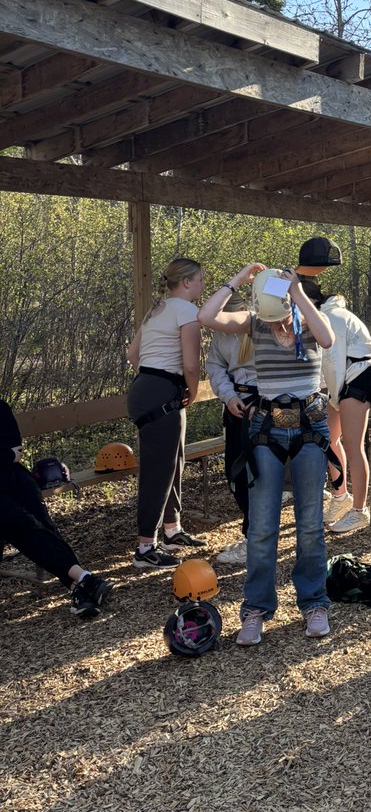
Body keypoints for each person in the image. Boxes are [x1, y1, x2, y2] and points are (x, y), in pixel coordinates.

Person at [198, 240, 336, 648]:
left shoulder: (308, 322)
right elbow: (207, 317)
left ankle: (314, 602)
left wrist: (295, 292)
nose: (275, 325)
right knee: (262, 526)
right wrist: (238, 280)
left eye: (278, 317)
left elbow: (327, 339)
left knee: (310, 522)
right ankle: (256, 608)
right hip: (267, 428)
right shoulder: (254, 322)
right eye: (270, 316)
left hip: (308, 424)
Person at [126, 257, 206, 569]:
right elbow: (190, 364)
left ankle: (172, 529)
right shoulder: (187, 311)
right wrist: (192, 390)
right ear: (186, 282)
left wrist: (153, 379)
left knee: (175, 459)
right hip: (163, 392)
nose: (201, 286)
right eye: (199, 280)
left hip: (147, 386)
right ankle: (146, 547)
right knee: (158, 470)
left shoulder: (156, 310)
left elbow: (133, 354)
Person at [0, 399, 113, 617]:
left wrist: (7, 456)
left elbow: (16, 450)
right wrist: (6, 455)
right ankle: (84, 579)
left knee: (43, 524)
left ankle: (80, 587)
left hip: (13, 477)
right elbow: (8, 454)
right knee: (23, 523)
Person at [313, 284, 371, 535]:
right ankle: (341, 496)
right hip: (342, 383)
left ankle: (359, 511)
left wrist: (334, 398)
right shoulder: (330, 314)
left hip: (356, 379)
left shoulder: (331, 318)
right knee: (328, 439)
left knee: (353, 445)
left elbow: (334, 361)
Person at [205, 291, 259, 566]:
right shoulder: (220, 334)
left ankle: (255, 538)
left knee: (257, 475)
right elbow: (215, 366)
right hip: (236, 407)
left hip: (263, 408)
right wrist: (229, 396)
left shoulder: (261, 327)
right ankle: (255, 534)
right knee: (235, 472)